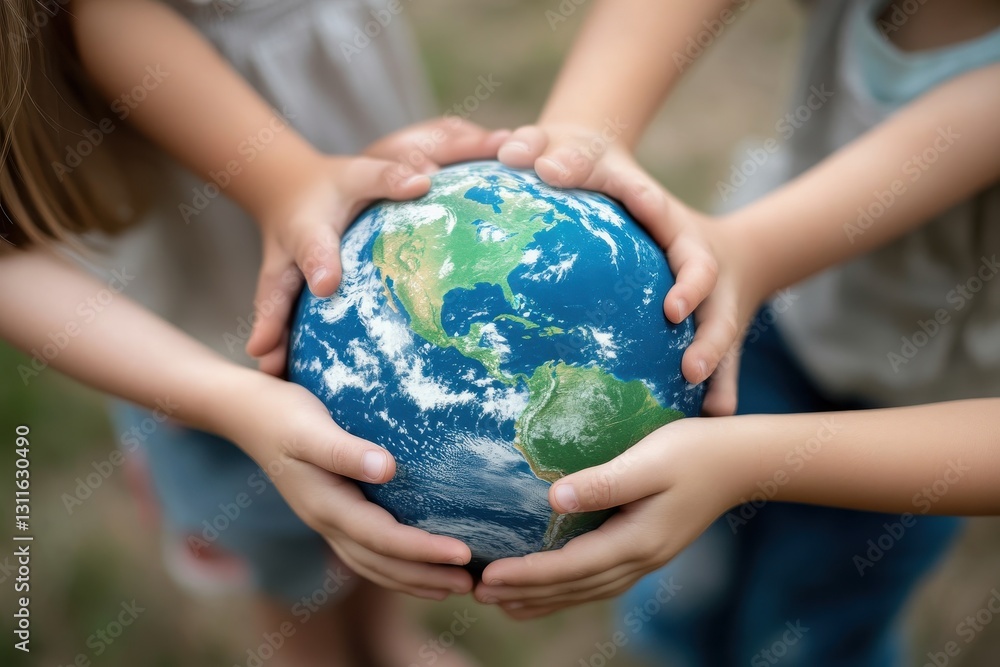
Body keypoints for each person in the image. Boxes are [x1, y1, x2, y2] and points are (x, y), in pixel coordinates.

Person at [474, 0, 1000, 665]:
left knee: (811, 629)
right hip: (758, 326)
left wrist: (744, 461)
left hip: (920, 428)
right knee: (688, 591)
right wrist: (579, 133)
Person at [4, 0, 505, 664]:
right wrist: (286, 183)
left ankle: (383, 638)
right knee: (284, 565)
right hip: (210, 352)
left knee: (374, 519)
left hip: (382, 302)